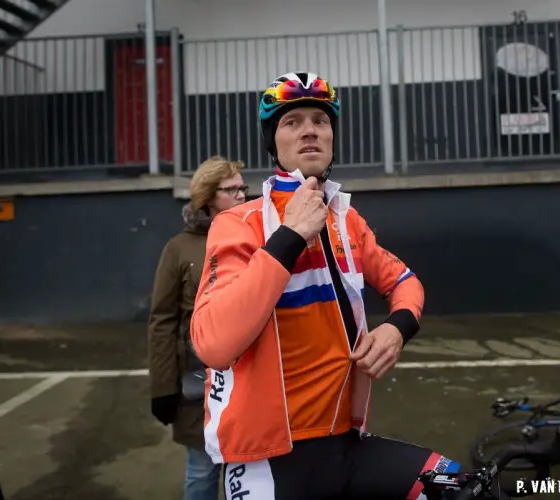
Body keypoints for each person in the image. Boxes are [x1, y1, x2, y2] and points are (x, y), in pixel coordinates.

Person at [189, 72, 464, 500]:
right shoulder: (237, 224)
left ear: (333, 135)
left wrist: (397, 328)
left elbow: (405, 282)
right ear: (273, 142)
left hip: (346, 443)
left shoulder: (346, 220)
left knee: (463, 487)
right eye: (291, 121)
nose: (310, 130)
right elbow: (213, 344)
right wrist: (290, 235)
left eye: (320, 120)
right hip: (268, 460)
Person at [148, 156, 247, 500]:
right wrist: (163, 387)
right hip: (198, 382)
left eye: (242, 188)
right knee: (203, 471)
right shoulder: (178, 249)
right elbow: (162, 321)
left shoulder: (257, 237)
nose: (241, 196)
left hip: (249, 375)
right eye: (231, 189)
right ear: (207, 197)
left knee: (249, 471)